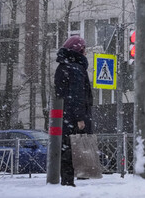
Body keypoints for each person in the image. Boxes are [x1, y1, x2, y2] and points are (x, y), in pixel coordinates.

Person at [54, 35, 94, 187]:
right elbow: (77, 94)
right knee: (73, 148)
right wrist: (80, 117)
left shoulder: (63, 66)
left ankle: (66, 179)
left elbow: (61, 94)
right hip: (73, 116)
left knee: (66, 147)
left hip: (64, 115)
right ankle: (69, 182)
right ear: (79, 50)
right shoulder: (76, 68)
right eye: (84, 49)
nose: (85, 52)